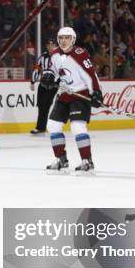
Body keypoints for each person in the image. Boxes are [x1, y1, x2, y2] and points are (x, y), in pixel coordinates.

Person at [45, 27, 103, 175]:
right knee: (53, 126)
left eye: (67, 38)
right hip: (65, 94)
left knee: (77, 128)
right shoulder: (54, 54)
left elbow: (91, 75)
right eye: (61, 38)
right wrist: (49, 76)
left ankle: (87, 162)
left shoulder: (80, 54)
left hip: (80, 94)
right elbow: (52, 70)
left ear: (73, 40)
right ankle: (61, 160)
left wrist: (96, 92)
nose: (64, 40)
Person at [29, 39, 59, 135]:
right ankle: (40, 127)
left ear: (56, 45)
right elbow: (37, 68)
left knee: (46, 105)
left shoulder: (60, 57)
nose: (50, 46)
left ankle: (41, 128)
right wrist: (33, 81)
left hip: (53, 85)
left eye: (52, 44)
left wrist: (60, 82)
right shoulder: (42, 57)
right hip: (42, 84)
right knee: (41, 105)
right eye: (48, 45)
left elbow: (63, 71)